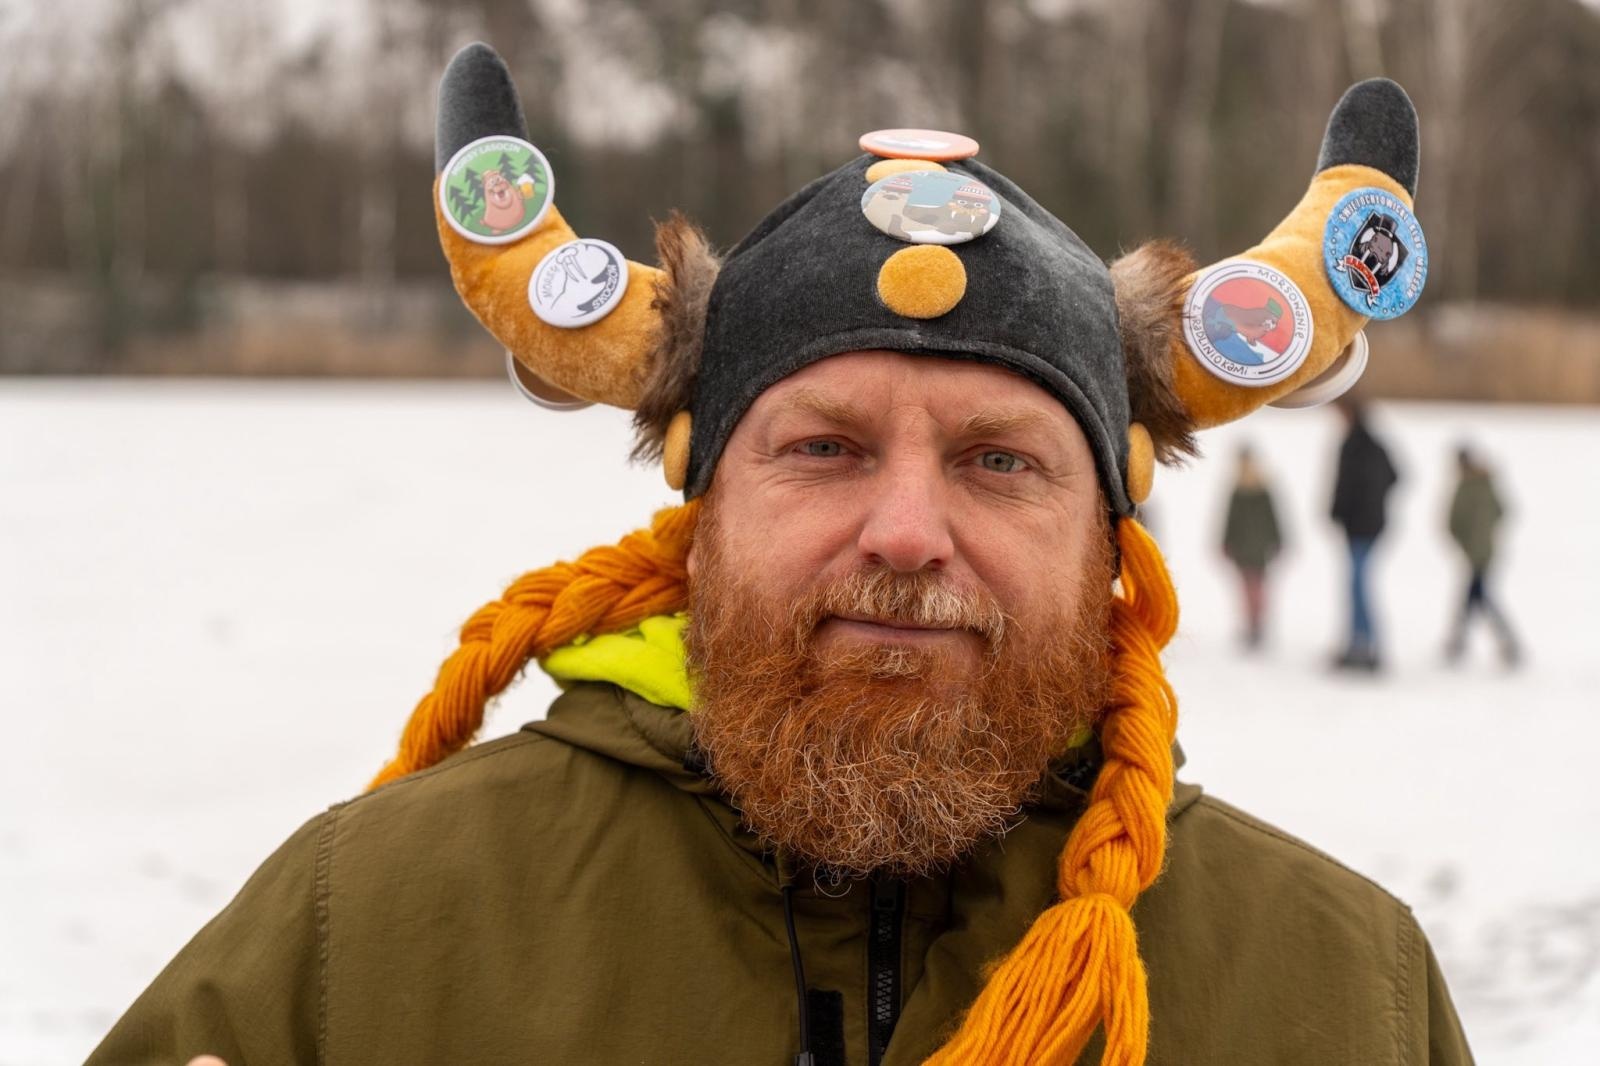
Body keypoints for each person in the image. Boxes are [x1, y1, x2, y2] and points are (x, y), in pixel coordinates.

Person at [90, 52, 1470, 1066]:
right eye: (823, 448)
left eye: (1000, 460)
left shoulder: (1347, 996)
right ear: (701, 506)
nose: (909, 531)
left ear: (1110, 537)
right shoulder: (359, 941)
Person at [1329, 397, 1399, 671]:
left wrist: (1367, 505)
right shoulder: (1355, 444)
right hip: (1358, 527)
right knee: (1355, 587)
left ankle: (1367, 647)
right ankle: (1358, 644)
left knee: (1359, 588)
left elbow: (1393, 476)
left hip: (1365, 527)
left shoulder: (1365, 446)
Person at [1445, 445, 1520, 666]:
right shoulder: (1485, 483)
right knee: (1475, 597)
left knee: (1479, 597)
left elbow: (1454, 521)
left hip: (1479, 553)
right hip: (1483, 550)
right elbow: (1501, 511)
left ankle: (1502, 642)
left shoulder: (1469, 486)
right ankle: (1460, 642)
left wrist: (1470, 539)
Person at [1221, 444, 1284, 649]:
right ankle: (1251, 625)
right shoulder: (1237, 492)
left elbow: (1273, 519)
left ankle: (1258, 625)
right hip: (1242, 549)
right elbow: (1230, 521)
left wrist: (1278, 540)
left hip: (1259, 548)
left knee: (1257, 587)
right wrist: (1226, 542)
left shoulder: (1263, 491)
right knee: (1246, 589)